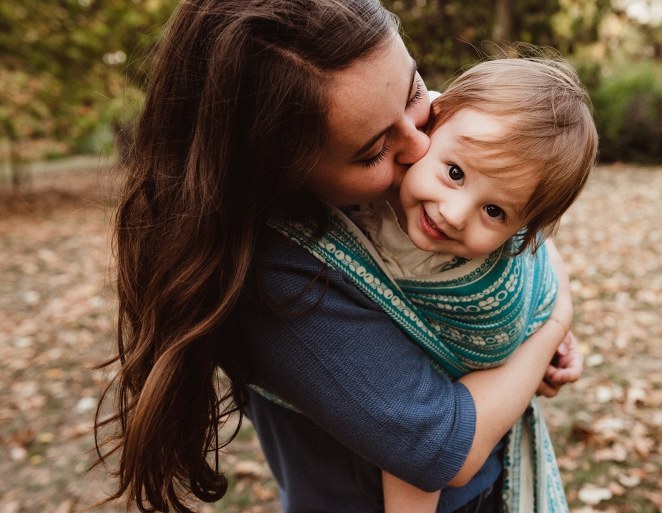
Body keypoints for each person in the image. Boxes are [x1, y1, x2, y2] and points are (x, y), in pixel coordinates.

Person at [93, 1, 584, 512]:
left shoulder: (423, 158)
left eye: (414, 90)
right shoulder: (271, 273)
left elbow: (521, 220)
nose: (419, 146)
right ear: (275, 174)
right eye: (372, 150)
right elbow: (441, 448)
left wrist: (529, 314)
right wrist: (553, 320)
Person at [343, 57, 597, 512]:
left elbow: (428, 442)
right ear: (430, 125)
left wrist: (552, 316)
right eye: (455, 174)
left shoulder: (484, 282)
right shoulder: (388, 145)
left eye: (495, 212)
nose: (455, 214)